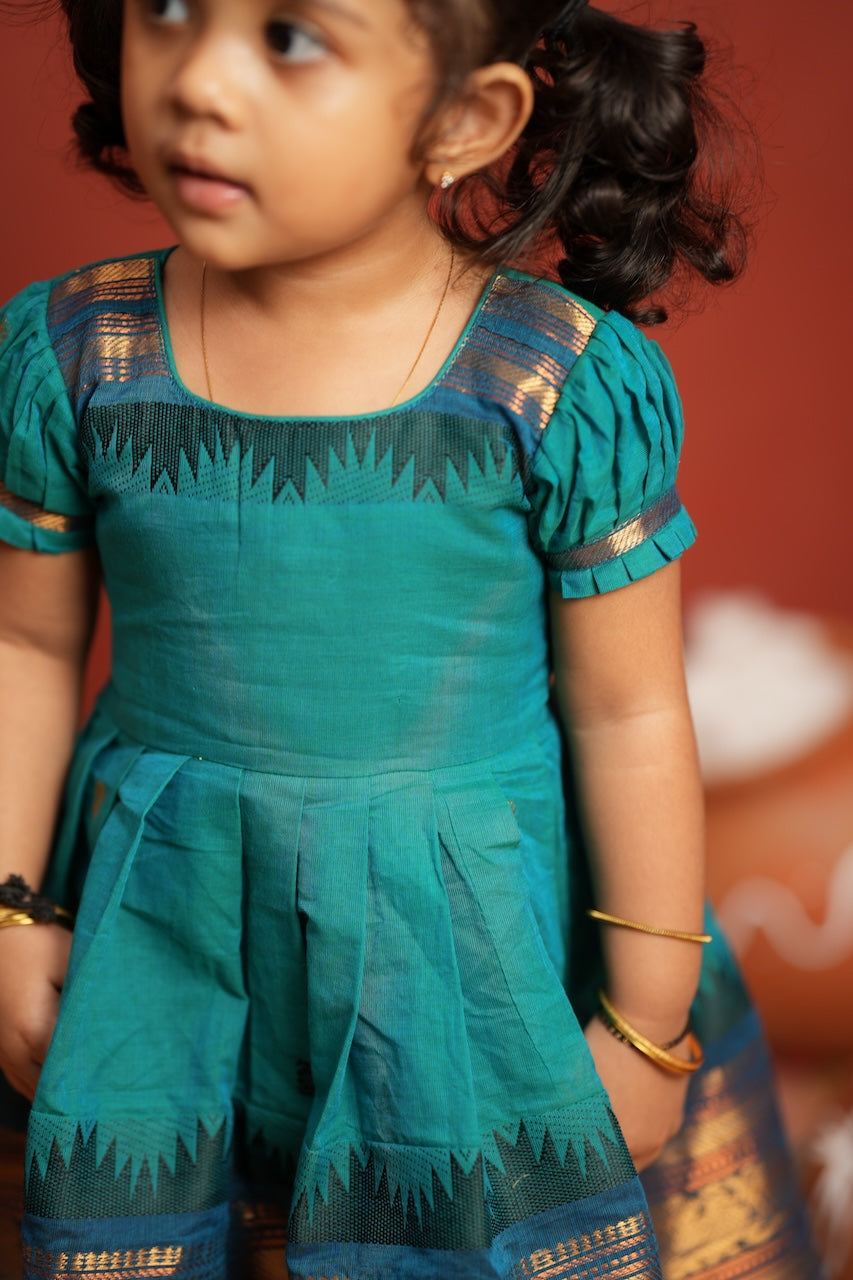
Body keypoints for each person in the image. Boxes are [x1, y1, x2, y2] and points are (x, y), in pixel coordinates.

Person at [0, 0, 821, 1277]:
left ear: (464, 119)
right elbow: (29, 647)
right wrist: (11, 911)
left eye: (289, 37)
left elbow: (630, 713)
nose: (199, 79)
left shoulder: (553, 380)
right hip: (158, 941)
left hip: (468, 965)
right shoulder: (74, 354)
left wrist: (648, 1026)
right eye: (170, 10)